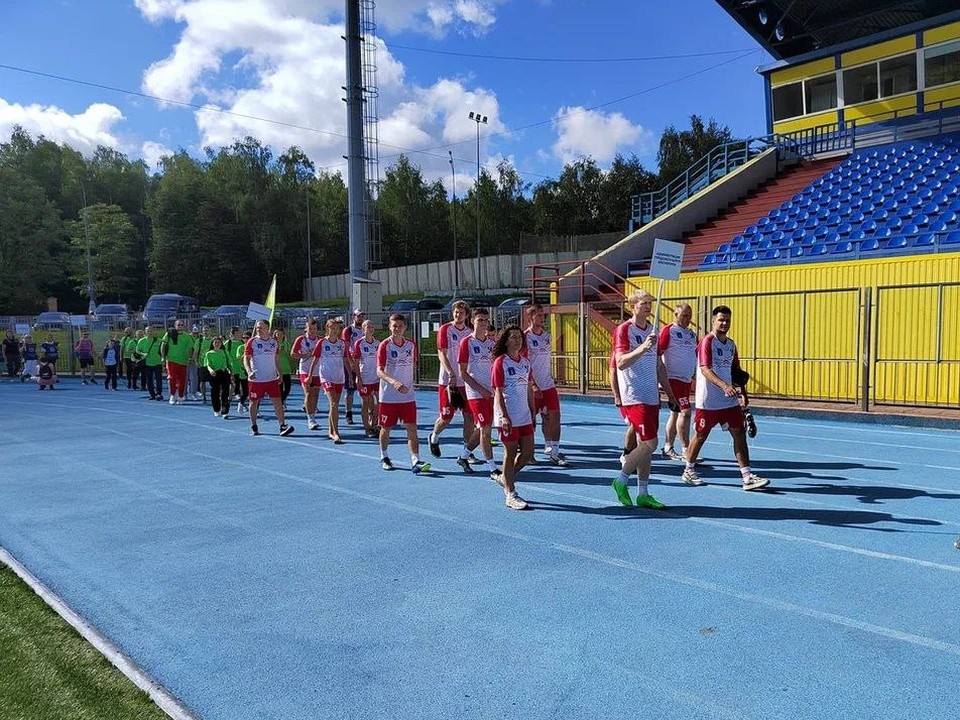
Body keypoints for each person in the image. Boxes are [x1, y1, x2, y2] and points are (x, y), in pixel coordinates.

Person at [681, 306, 770, 491]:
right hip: (709, 401)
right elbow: (705, 369)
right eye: (721, 320)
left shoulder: (731, 345)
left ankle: (747, 476)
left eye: (727, 320)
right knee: (700, 435)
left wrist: (743, 393)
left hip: (728, 401)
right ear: (713, 321)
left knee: (739, 433)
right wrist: (724, 386)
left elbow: (736, 371)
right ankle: (688, 470)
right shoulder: (707, 342)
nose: (724, 323)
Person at [611, 290, 678, 509]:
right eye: (644, 303)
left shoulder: (653, 330)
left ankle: (643, 493)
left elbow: (659, 366)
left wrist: (670, 393)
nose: (648, 306)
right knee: (651, 443)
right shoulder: (624, 330)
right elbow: (620, 362)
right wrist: (643, 347)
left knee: (645, 446)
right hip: (634, 394)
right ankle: (620, 480)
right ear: (633, 306)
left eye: (650, 303)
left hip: (651, 395)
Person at [376, 313, 430, 474]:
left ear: (405, 327)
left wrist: (409, 382)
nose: (397, 329)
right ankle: (384, 456)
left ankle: (416, 460)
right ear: (389, 327)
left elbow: (412, 365)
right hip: (388, 396)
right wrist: (394, 382)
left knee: (412, 427)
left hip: (407, 396)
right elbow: (379, 371)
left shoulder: (411, 345)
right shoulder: (385, 345)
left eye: (400, 326)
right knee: (386, 428)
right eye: (394, 326)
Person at [491, 324, 535, 510]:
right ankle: (510, 493)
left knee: (527, 454)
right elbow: (498, 392)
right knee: (509, 454)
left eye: (519, 337)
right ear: (506, 340)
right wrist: (505, 417)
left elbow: (528, 389)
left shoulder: (525, 363)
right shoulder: (501, 362)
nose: (517, 340)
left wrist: (533, 412)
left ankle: (505, 478)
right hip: (507, 416)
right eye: (513, 337)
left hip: (524, 415)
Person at [428, 300, 475, 460]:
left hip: (466, 382)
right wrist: (451, 373)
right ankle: (434, 437)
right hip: (449, 381)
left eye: (461, 312)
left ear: (466, 315)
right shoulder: (445, 329)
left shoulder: (470, 332)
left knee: (469, 417)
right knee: (447, 417)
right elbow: (442, 353)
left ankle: (467, 451)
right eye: (456, 312)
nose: (458, 314)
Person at [457, 307, 499, 479]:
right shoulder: (466, 342)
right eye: (479, 319)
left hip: (490, 393)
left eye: (485, 320)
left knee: (483, 428)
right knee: (486, 430)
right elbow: (463, 373)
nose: (483, 323)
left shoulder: (491, 344)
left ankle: (464, 456)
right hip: (475, 393)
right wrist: (480, 389)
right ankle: (492, 467)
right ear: (473, 321)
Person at [524, 304, 567, 465]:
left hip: (548, 385)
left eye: (543, 315)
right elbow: (525, 363)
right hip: (531, 387)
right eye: (539, 315)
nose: (542, 318)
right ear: (530, 318)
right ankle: (528, 453)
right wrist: (533, 384)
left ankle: (554, 451)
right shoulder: (525, 337)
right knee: (530, 420)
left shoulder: (547, 336)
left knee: (554, 416)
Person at [658, 303, 698, 462]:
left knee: (675, 414)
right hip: (673, 380)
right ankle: (687, 450)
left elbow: (694, 354)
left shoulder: (692, 334)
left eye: (689, 316)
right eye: (683, 315)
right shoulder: (669, 331)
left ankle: (668, 447)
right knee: (685, 412)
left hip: (686, 380)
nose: (687, 319)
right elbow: (658, 352)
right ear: (675, 315)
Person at [243, 319, 294, 437]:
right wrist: (249, 371)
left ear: (267, 328)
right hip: (256, 379)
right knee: (254, 402)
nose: (258, 330)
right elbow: (246, 358)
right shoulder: (252, 342)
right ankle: (253, 425)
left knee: (277, 402)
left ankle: (282, 425)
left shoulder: (274, 343)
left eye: (261, 327)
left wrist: (279, 373)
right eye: (257, 328)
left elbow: (276, 359)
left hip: (271, 379)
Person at [307, 317, 350, 444]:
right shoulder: (322, 343)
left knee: (334, 406)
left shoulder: (341, 344)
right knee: (334, 404)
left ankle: (331, 431)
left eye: (336, 328)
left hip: (339, 377)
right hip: (326, 376)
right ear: (327, 328)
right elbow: (315, 359)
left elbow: (345, 360)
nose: (334, 330)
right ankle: (336, 432)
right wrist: (310, 375)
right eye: (332, 328)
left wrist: (351, 377)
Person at [350, 318, 381, 438]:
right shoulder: (359, 343)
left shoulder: (377, 343)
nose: (371, 329)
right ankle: (367, 427)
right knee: (366, 403)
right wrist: (358, 378)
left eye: (372, 326)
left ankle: (374, 424)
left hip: (376, 378)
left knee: (379, 402)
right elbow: (356, 362)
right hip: (365, 377)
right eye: (368, 327)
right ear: (363, 330)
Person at [291, 318, 322, 430]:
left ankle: (313, 414)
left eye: (314, 329)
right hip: (305, 369)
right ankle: (310, 419)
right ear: (306, 329)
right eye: (310, 329)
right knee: (308, 394)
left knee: (315, 395)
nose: (313, 331)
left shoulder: (320, 340)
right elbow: (293, 354)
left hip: (318, 371)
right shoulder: (301, 339)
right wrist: (305, 355)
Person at [609, 348, 637, 465]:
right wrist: (617, 396)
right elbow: (612, 372)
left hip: (641, 393)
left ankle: (635, 455)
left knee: (642, 428)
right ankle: (626, 454)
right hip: (626, 395)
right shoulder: (618, 352)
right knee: (634, 424)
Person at [342, 308, 366, 425]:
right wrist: (350, 362)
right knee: (350, 389)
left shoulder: (365, 329)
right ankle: (348, 412)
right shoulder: (349, 330)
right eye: (358, 316)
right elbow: (346, 348)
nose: (360, 318)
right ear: (354, 317)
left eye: (362, 316)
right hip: (352, 362)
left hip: (363, 363)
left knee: (364, 390)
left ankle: (366, 413)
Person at [161, 320, 193, 405]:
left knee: (182, 380)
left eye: (182, 325)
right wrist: (163, 357)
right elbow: (163, 345)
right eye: (178, 325)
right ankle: (172, 394)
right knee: (172, 378)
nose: (180, 326)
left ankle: (181, 396)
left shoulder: (187, 337)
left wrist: (189, 358)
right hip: (171, 360)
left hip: (183, 361)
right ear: (175, 326)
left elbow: (190, 348)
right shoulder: (169, 334)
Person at [204, 335, 232, 418]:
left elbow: (228, 363)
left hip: (224, 373)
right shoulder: (209, 353)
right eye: (215, 342)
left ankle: (225, 410)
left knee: (225, 392)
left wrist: (231, 372)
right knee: (215, 392)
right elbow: (208, 365)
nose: (217, 344)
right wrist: (211, 370)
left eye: (219, 342)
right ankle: (216, 409)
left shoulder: (224, 351)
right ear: (212, 343)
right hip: (215, 374)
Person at [136, 326, 164, 400]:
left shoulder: (158, 340)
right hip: (147, 363)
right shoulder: (141, 341)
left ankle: (158, 394)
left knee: (158, 379)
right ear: (145, 332)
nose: (149, 332)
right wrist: (143, 354)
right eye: (148, 331)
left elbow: (163, 349)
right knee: (149, 380)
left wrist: (163, 358)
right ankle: (152, 394)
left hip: (157, 363)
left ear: (153, 331)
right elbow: (137, 351)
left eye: (151, 331)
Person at [273, 328, 293, 409]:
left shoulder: (287, 344)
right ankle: (280, 404)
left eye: (281, 334)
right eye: (278, 334)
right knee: (279, 388)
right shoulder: (273, 344)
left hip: (286, 369)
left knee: (288, 388)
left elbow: (290, 355)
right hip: (277, 369)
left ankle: (283, 399)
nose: (280, 336)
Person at [186, 325, 203, 401]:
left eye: (196, 333)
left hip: (195, 360)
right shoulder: (187, 337)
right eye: (194, 332)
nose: (195, 334)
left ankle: (193, 392)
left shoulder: (200, 338)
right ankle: (184, 394)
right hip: (187, 359)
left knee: (194, 377)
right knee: (186, 378)